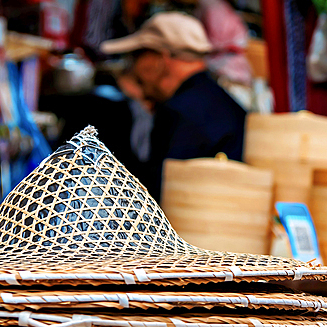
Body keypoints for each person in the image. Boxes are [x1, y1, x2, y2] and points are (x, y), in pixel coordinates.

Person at [101, 12, 246, 199]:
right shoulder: (225, 104)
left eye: (136, 56)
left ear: (160, 59)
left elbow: (159, 199)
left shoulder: (179, 113)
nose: (134, 68)